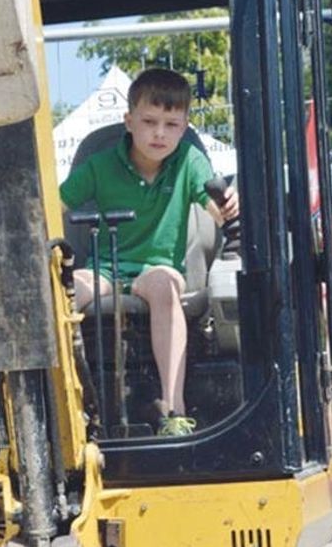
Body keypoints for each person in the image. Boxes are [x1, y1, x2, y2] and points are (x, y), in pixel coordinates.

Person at [59, 68, 239, 436]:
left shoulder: (189, 161)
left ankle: (174, 412)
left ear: (185, 125)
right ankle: (63, 412)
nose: (160, 133)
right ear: (129, 121)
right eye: (149, 121)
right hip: (105, 268)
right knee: (63, 295)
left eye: (172, 124)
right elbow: (53, 205)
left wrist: (225, 207)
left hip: (155, 269)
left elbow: (212, 203)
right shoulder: (99, 165)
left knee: (165, 285)